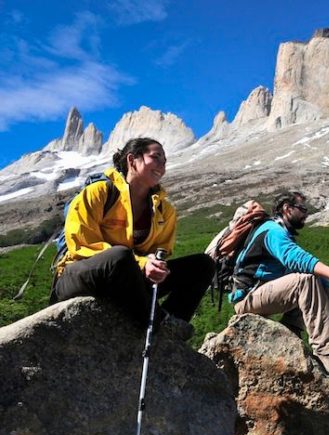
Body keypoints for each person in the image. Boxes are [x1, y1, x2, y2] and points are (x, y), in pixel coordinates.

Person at [51, 137, 214, 336]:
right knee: (120, 256)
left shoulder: (165, 210)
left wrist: (155, 264)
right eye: (156, 157)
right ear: (132, 160)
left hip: (129, 282)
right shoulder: (99, 192)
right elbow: (83, 246)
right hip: (79, 276)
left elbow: (161, 251)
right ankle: (158, 322)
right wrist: (141, 263)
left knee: (203, 265)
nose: (162, 165)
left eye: (164, 161)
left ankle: (172, 327)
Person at [230, 191, 329, 377]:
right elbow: (297, 260)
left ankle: (291, 336)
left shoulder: (279, 231)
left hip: (259, 294)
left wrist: (328, 293)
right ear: (287, 208)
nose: (306, 214)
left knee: (307, 278)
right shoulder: (272, 231)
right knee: (304, 281)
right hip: (248, 298)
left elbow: (306, 266)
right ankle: (328, 353)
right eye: (302, 209)